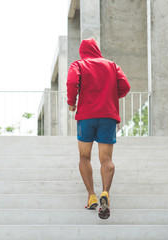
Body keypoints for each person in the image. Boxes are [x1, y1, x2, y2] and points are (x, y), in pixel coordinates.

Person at [66, 38, 130, 219]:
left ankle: (92, 196)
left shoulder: (78, 64)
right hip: (108, 116)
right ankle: (105, 194)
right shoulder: (112, 65)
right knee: (106, 158)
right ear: (96, 50)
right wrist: (109, 95)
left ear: (82, 52)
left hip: (86, 116)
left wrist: (72, 103)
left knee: (84, 156)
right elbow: (125, 86)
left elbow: (71, 83)